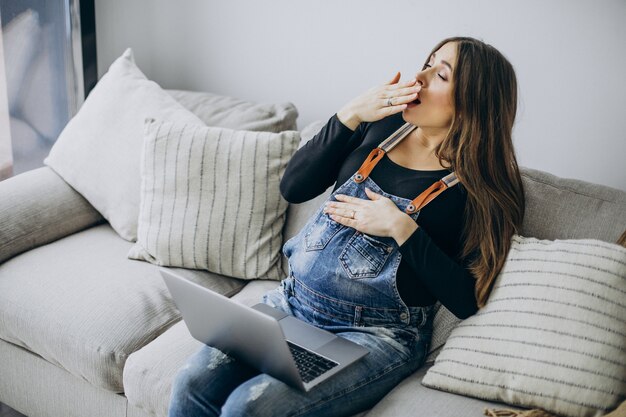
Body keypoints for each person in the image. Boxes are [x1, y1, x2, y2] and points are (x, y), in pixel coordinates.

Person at [167, 36, 525, 417]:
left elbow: (467, 299)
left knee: (248, 408)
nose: (418, 77)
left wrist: (402, 229)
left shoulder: (482, 189)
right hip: (293, 303)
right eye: (426, 62)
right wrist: (350, 113)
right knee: (190, 384)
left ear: (473, 101)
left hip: (375, 335)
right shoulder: (382, 125)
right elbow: (294, 187)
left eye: (440, 74)